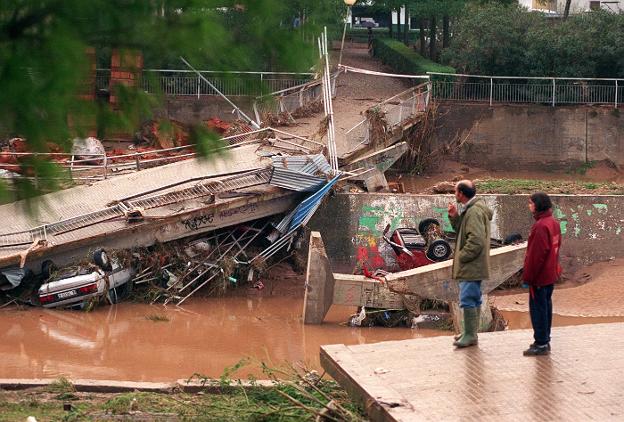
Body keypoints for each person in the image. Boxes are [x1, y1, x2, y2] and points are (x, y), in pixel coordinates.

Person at [447, 180, 493, 348]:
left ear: (461, 194)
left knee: (467, 299)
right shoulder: (471, 210)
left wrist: (461, 256)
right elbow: (464, 231)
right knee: (473, 298)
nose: (454, 194)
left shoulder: (474, 212)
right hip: (474, 264)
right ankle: (469, 332)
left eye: (455, 191)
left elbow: (476, 240)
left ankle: (470, 335)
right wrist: (454, 217)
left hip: (472, 264)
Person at [522, 192, 561, 356]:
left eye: (531, 203)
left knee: (538, 310)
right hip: (550, 273)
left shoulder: (540, 226)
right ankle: (544, 340)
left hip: (539, 277)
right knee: (545, 307)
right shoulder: (553, 222)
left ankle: (541, 343)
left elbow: (535, 256)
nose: (529, 206)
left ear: (537, 205)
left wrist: (528, 278)